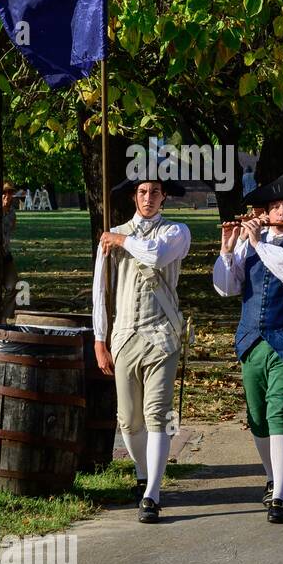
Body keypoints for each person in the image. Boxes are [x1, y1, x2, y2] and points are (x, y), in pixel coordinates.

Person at [213, 173, 283, 524]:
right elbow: (226, 288)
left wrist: (259, 242)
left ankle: (281, 494)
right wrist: (228, 249)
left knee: (281, 413)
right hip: (251, 340)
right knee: (257, 418)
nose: (280, 211)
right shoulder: (249, 244)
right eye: (274, 206)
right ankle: (272, 476)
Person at [91, 176, 191, 524]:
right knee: (129, 421)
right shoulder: (112, 234)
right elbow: (99, 292)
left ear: (164, 198)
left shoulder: (176, 232)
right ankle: (143, 472)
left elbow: (156, 255)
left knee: (157, 415)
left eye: (155, 192)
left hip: (162, 336)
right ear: (135, 196)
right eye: (143, 192)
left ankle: (152, 494)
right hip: (124, 338)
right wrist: (99, 340)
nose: (149, 198)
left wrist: (121, 240)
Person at [1, 183, 19, 322]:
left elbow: (12, 228)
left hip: (6, 255)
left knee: (13, 285)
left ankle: (5, 318)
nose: (7, 195)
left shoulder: (12, 212)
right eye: (4, 192)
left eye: (10, 193)